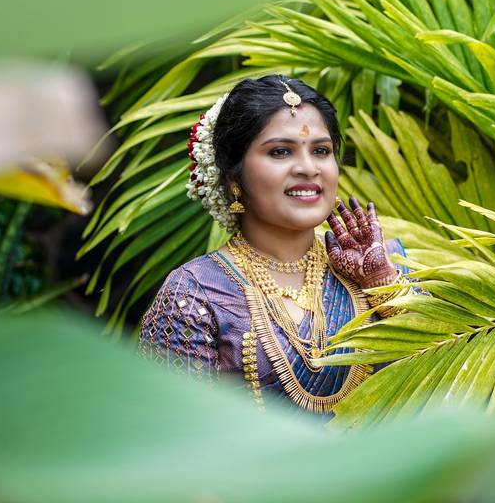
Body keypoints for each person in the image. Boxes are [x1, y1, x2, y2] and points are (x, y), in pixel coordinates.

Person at [138, 75, 416, 415]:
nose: (308, 168)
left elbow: (441, 391)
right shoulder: (195, 293)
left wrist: (382, 287)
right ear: (234, 177)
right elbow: (172, 436)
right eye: (281, 152)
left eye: (321, 151)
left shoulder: (384, 266)